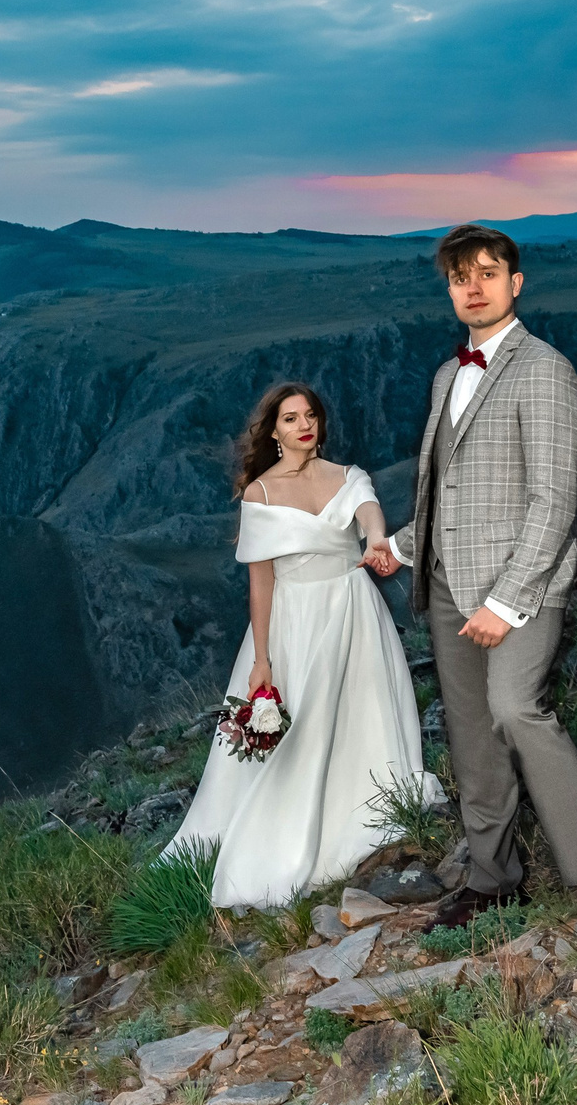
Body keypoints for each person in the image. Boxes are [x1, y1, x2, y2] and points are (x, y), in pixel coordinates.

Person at [362, 224, 577, 942]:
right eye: (460, 277)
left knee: (516, 709)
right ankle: (493, 880)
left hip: (523, 587)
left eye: (488, 272)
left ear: (516, 282)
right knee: (471, 735)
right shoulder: (447, 377)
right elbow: (449, 498)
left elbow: (553, 502)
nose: (473, 287)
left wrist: (504, 603)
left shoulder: (545, 370)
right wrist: (396, 547)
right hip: (449, 585)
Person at [163, 383, 438, 908]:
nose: (303, 425)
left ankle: (365, 809)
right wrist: (262, 659)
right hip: (293, 623)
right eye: (290, 418)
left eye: (310, 414)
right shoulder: (260, 495)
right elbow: (261, 582)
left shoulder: (348, 476)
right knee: (298, 725)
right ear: (274, 431)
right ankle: (279, 833)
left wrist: (378, 542)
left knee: (364, 711)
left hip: (353, 610)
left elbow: (369, 516)